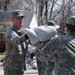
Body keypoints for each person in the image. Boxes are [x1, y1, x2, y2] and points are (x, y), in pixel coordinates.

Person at [3, 10, 29, 75]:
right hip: (11, 69)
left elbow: (32, 43)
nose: (21, 20)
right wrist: (27, 35)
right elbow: (16, 40)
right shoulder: (10, 32)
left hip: (20, 68)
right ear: (13, 19)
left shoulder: (23, 32)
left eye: (22, 18)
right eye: (18, 18)